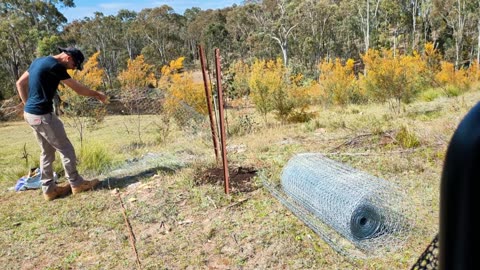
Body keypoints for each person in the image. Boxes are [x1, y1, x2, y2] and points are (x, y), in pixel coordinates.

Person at [16, 47, 108, 201]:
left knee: (47, 152)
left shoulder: (39, 61)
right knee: (65, 148)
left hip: (31, 115)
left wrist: (28, 107)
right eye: (74, 65)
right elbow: (78, 89)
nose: (73, 69)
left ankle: (49, 190)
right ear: (68, 57)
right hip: (42, 115)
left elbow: (20, 83)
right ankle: (77, 184)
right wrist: (98, 94)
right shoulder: (55, 66)